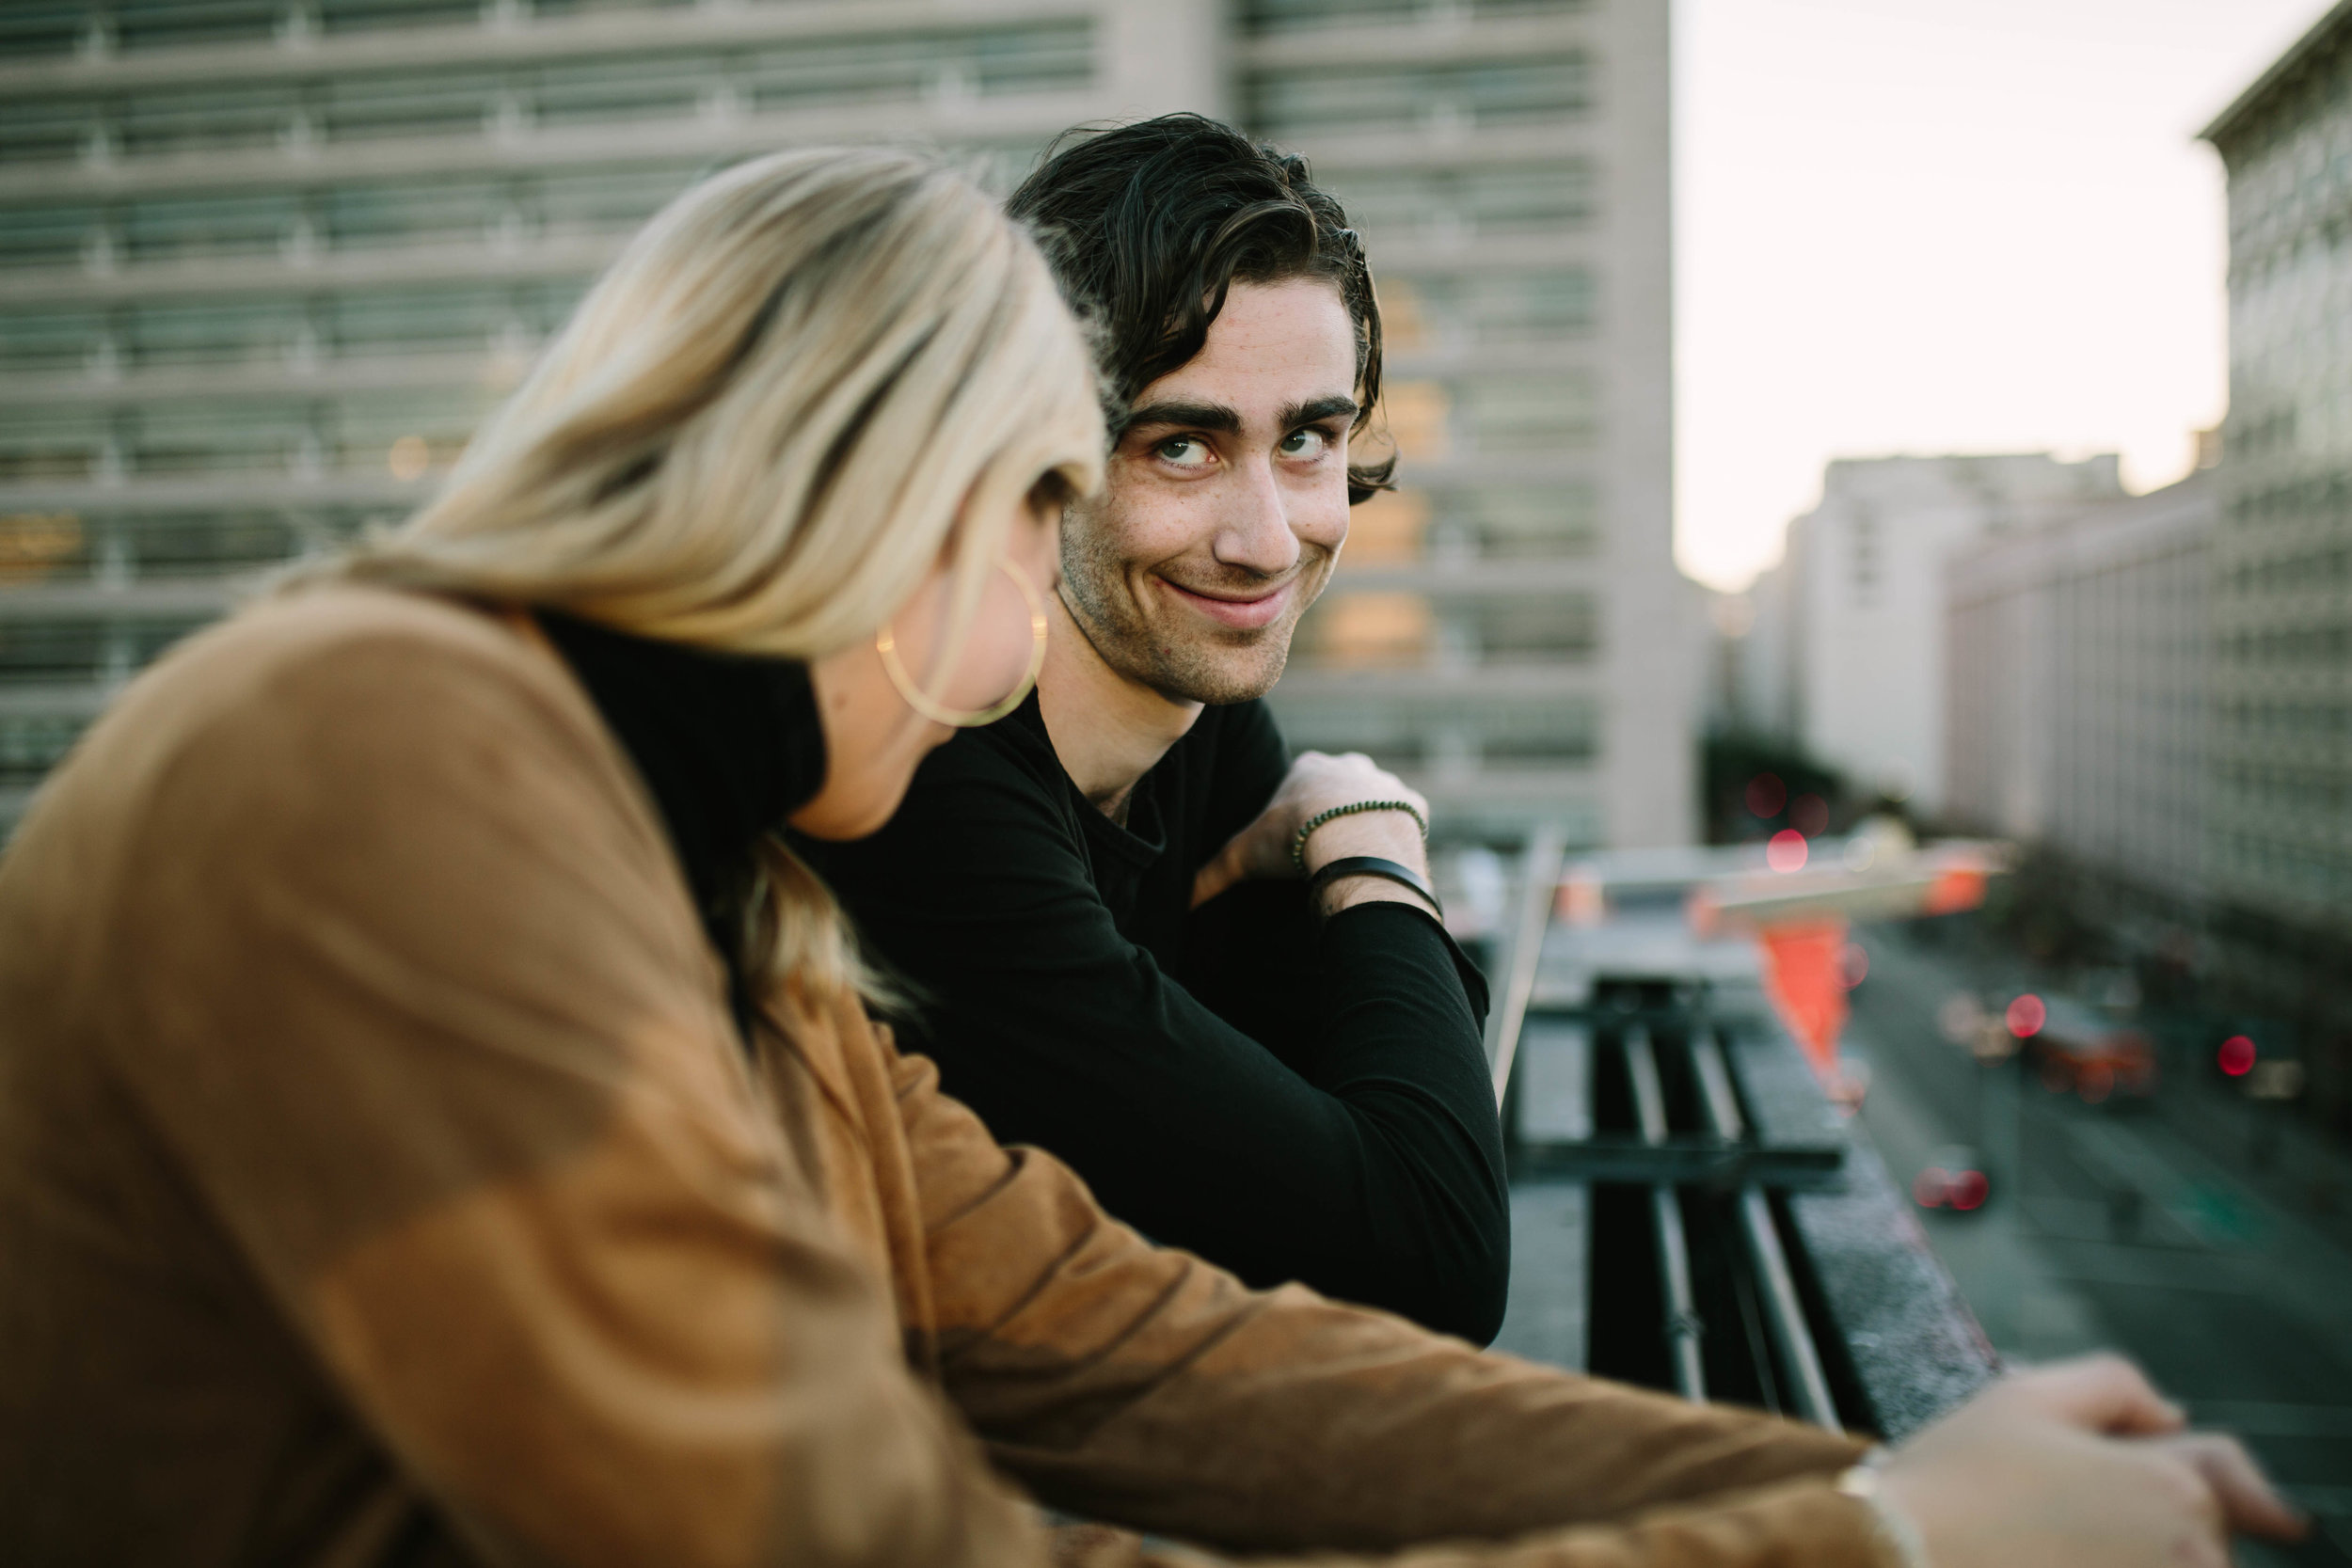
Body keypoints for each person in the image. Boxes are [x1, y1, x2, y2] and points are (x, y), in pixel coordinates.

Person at [0, 146, 2301, 1568]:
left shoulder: (716, 894)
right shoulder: (388, 777)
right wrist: (1875, 1543)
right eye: (1043, 510)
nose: (1026, 631)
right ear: (864, 491)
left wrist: (1836, 1500)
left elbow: (1137, 1354)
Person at [796, 115, 1510, 1342]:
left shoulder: (1203, 728)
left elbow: (1374, 1098)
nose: (1266, 541)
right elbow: (1430, 1253)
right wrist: (1373, 841)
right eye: (1179, 444)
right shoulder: (931, 792)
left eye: (1306, 439)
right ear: (1030, 453)